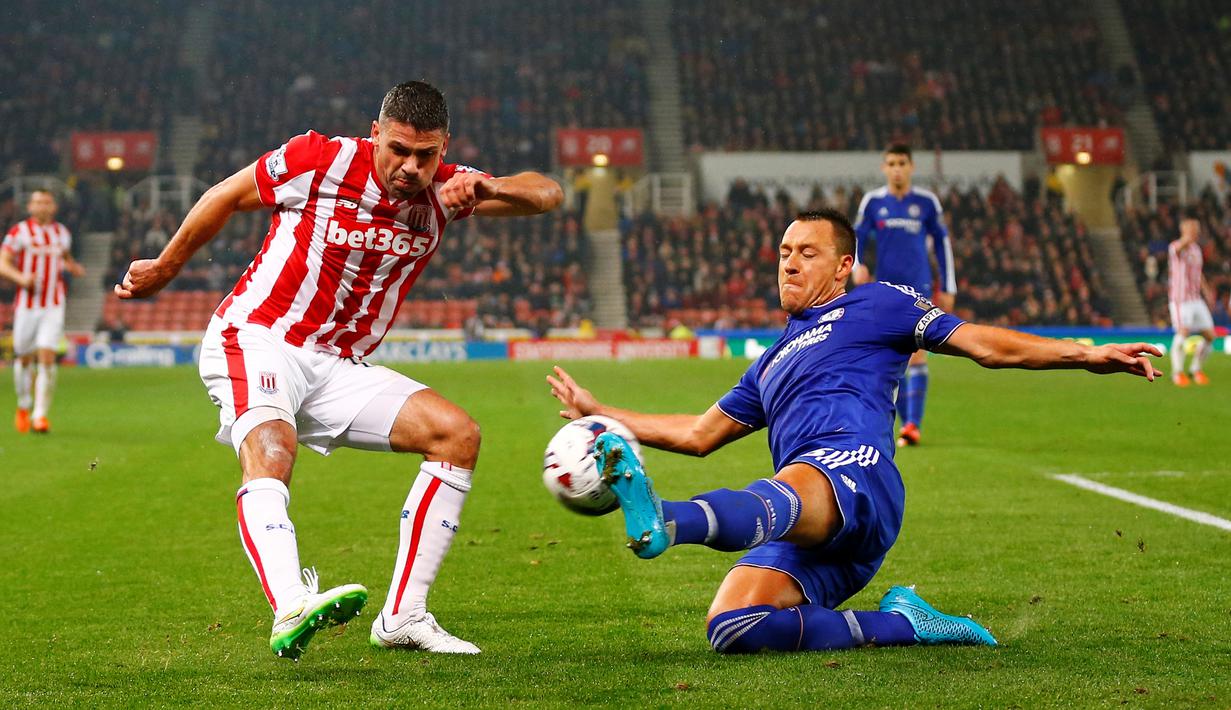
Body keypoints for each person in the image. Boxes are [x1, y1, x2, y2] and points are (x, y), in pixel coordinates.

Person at [548, 209, 1160, 655]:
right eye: (784, 251)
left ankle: (666, 521)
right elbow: (698, 434)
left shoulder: (879, 303)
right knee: (733, 626)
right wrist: (604, 413)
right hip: (816, 531)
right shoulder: (768, 362)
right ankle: (909, 625)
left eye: (806, 252)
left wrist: (1086, 353)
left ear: (843, 265)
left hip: (855, 475)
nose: (789, 262)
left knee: (792, 483)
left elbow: (984, 345)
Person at [115, 81, 563, 660]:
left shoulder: (451, 190)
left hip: (339, 365)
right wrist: (165, 267)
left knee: (457, 436)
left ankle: (404, 616)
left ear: (444, 147)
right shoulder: (320, 159)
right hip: (261, 335)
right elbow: (224, 194)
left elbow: (548, 193)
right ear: (375, 132)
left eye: (425, 155)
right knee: (272, 448)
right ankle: (289, 608)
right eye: (398, 149)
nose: (410, 167)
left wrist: (491, 184)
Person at [852, 144, 955, 447]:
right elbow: (854, 238)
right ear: (884, 168)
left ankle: (912, 424)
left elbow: (942, 244)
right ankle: (902, 422)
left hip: (919, 287)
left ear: (911, 167)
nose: (897, 169)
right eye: (892, 163)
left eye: (902, 163)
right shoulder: (873, 202)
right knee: (890, 355)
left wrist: (949, 286)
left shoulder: (926, 202)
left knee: (918, 352)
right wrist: (858, 266)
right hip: (885, 289)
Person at [0, 189, 85, 434]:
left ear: (53, 207)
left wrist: (73, 267)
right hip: (27, 305)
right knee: (24, 357)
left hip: (53, 304)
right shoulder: (19, 232)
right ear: (30, 207)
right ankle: (24, 404)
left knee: (47, 357)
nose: (42, 206)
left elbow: (66, 257)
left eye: (47, 202)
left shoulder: (61, 233)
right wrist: (20, 277)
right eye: (37, 202)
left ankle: (40, 415)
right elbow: (3, 262)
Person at [1166, 211, 1215, 386]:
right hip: (1180, 300)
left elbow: (1198, 273)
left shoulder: (1196, 249)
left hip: (1195, 299)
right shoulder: (1175, 247)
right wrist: (1187, 236)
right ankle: (1177, 372)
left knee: (1210, 336)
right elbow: (1179, 248)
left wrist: (1207, 291)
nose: (1196, 231)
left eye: (1197, 228)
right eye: (1192, 228)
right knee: (1183, 332)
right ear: (1184, 229)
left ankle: (1195, 369)